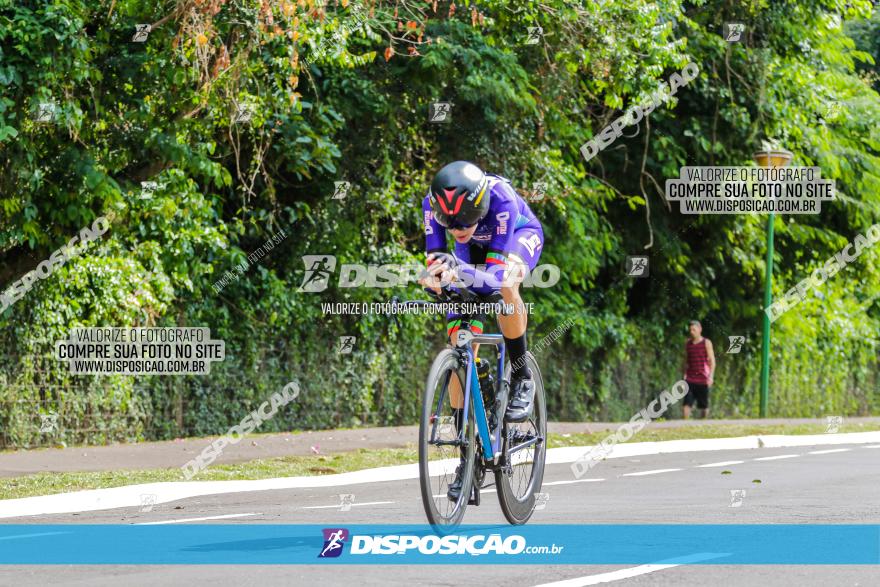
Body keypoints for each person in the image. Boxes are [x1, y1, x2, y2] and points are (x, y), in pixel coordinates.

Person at [418, 161, 544, 500]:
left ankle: (521, 375)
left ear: (480, 208)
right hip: (468, 255)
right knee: (460, 342)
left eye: (464, 221)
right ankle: (468, 458)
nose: (457, 227)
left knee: (505, 286)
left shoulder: (500, 200)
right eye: (450, 223)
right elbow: (436, 257)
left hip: (517, 239)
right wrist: (436, 278)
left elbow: (493, 276)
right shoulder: (432, 204)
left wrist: (459, 271)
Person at [682, 320, 715, 419]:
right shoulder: (687, 344)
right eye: (690, 330)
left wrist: (710, 376)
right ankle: (684, 424)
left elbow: (712, 361)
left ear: (700, 330)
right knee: (686, 405)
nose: (692, 331)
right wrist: (684, 374)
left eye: (694, 329)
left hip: (703, 378)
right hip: (690, 379)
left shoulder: (706, 343)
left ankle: (702, 423)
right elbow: (685, 361)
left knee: (703, 407)